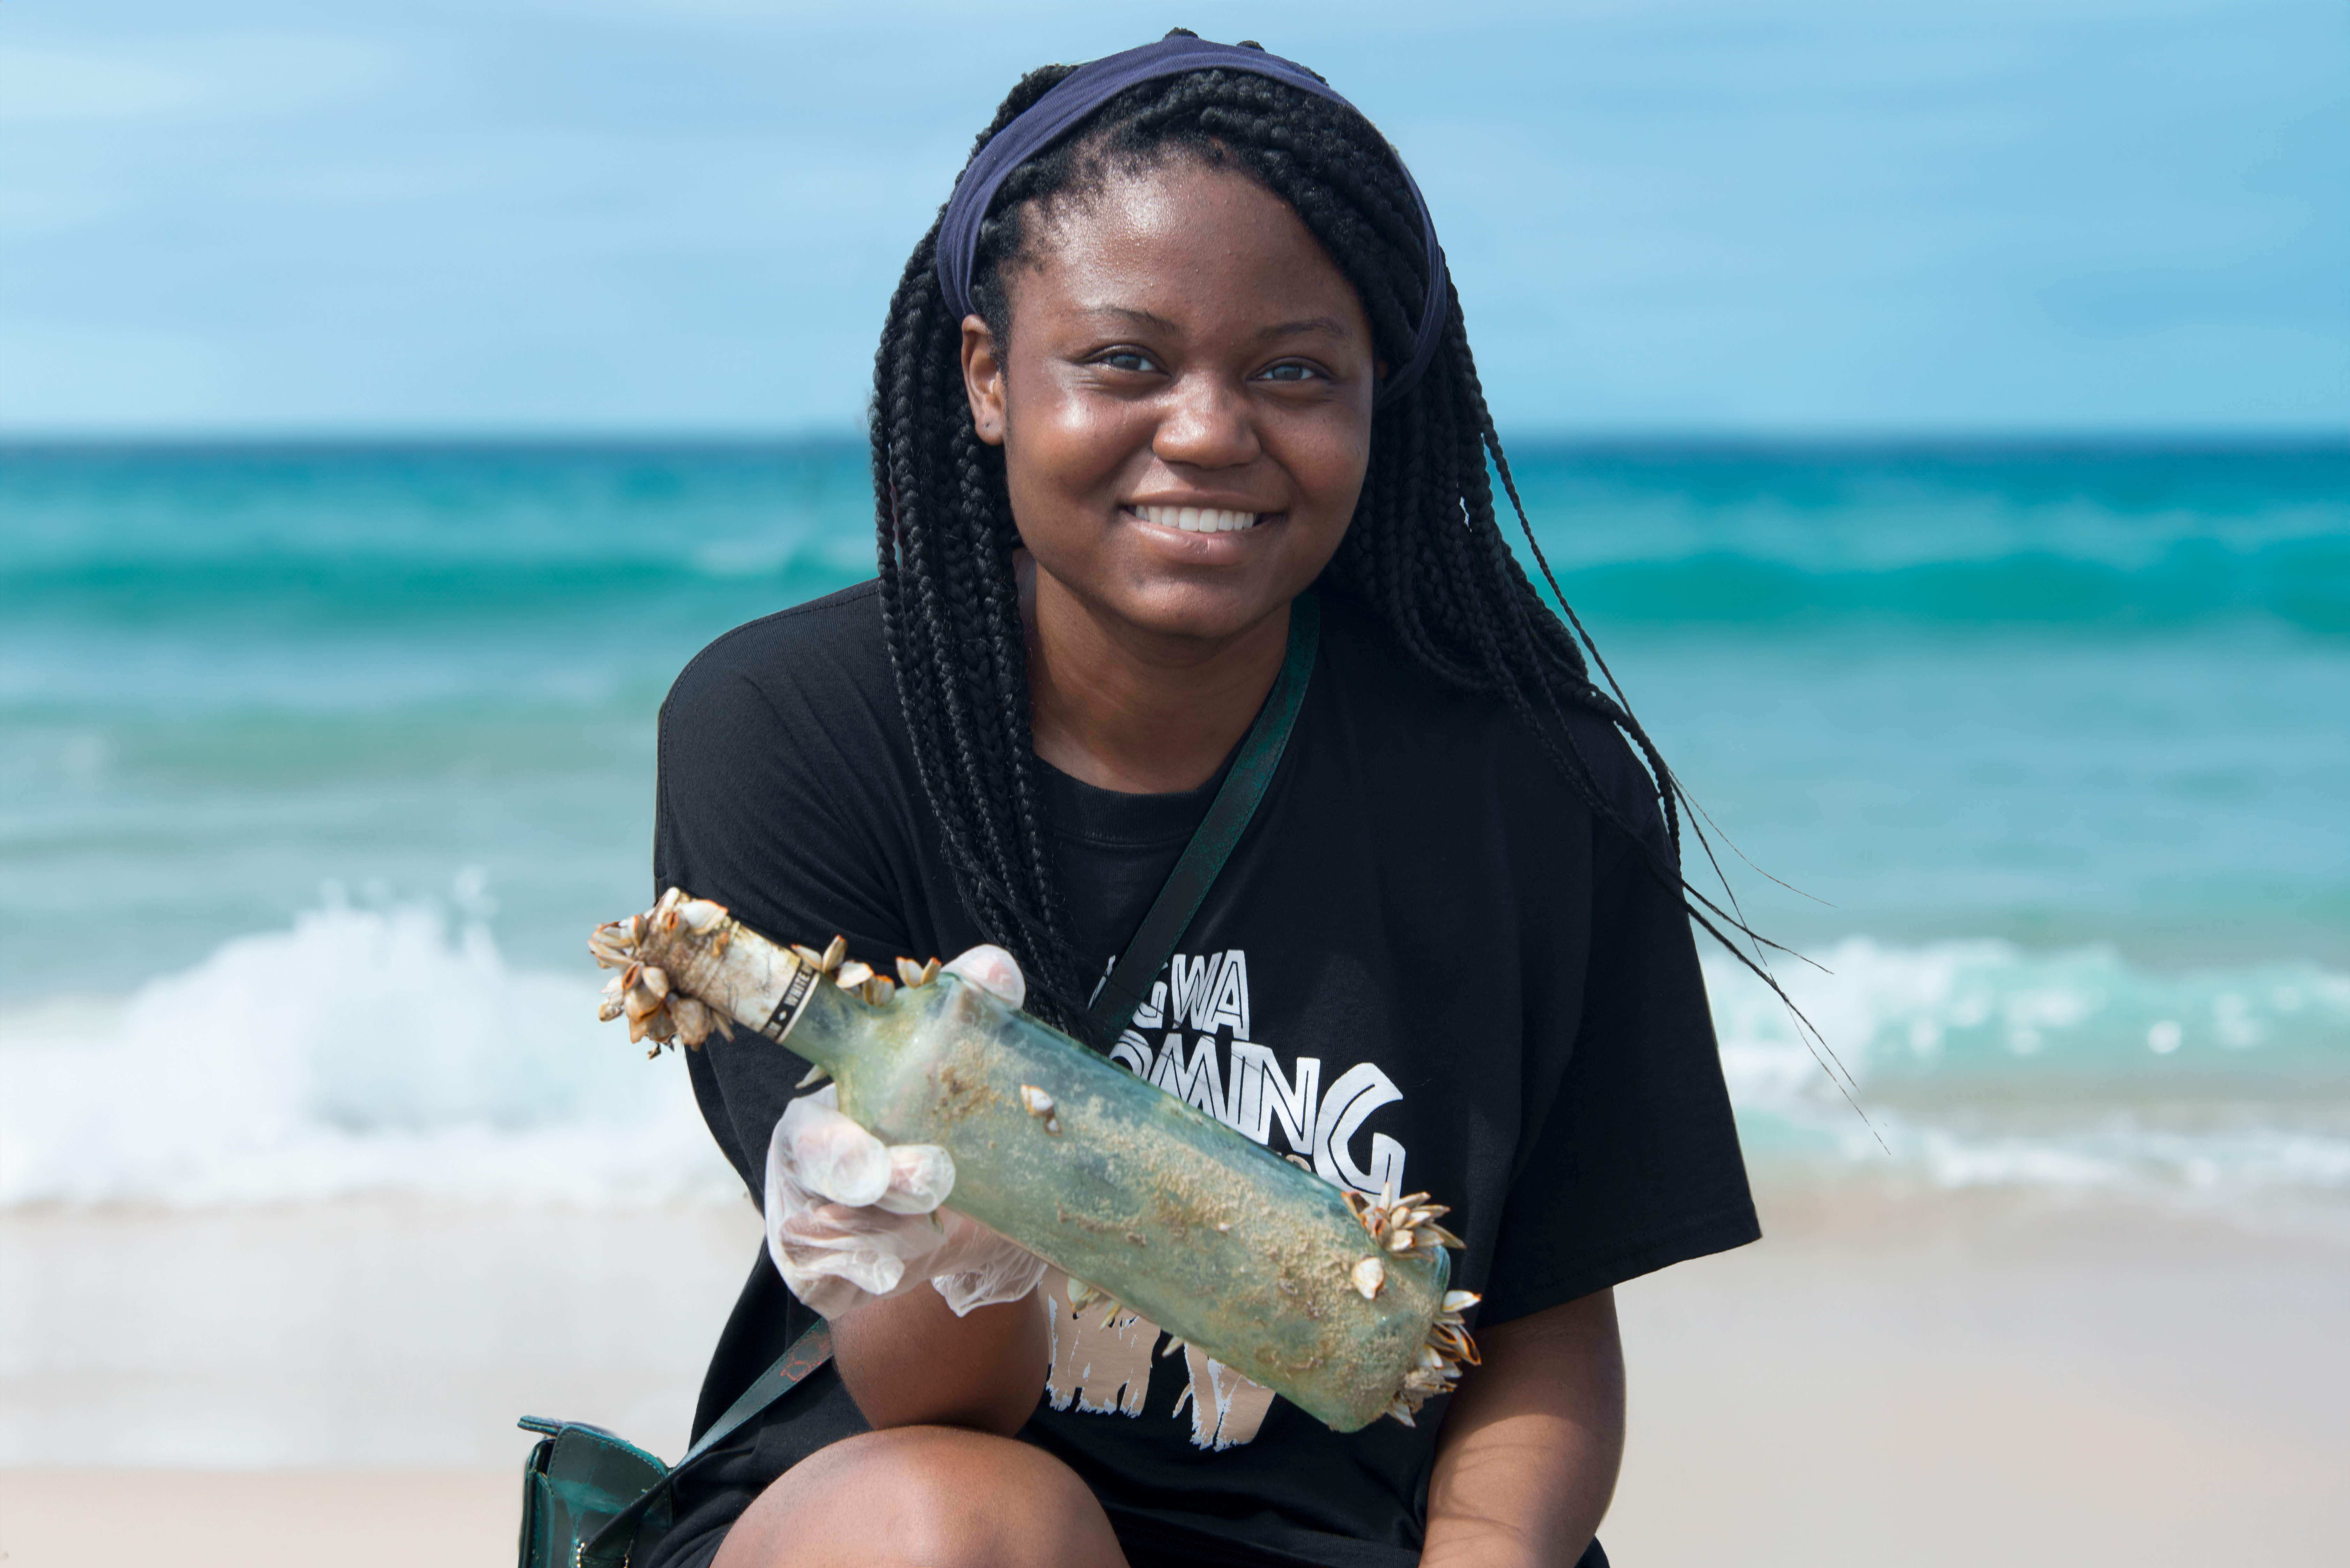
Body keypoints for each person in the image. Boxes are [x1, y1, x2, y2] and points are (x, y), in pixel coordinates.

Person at [644, 33, 1758, 1568]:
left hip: (1362, 1536)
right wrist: (953, 1218)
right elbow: (942, 1409)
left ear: (1383, 396)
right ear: (986, 376)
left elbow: (1544, 1327)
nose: (1210, 429)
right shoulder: (797, 728)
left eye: (1296, 370)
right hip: (919, 1500)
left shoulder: (1534, 788)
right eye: (1124, 361)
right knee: (957, 1527)